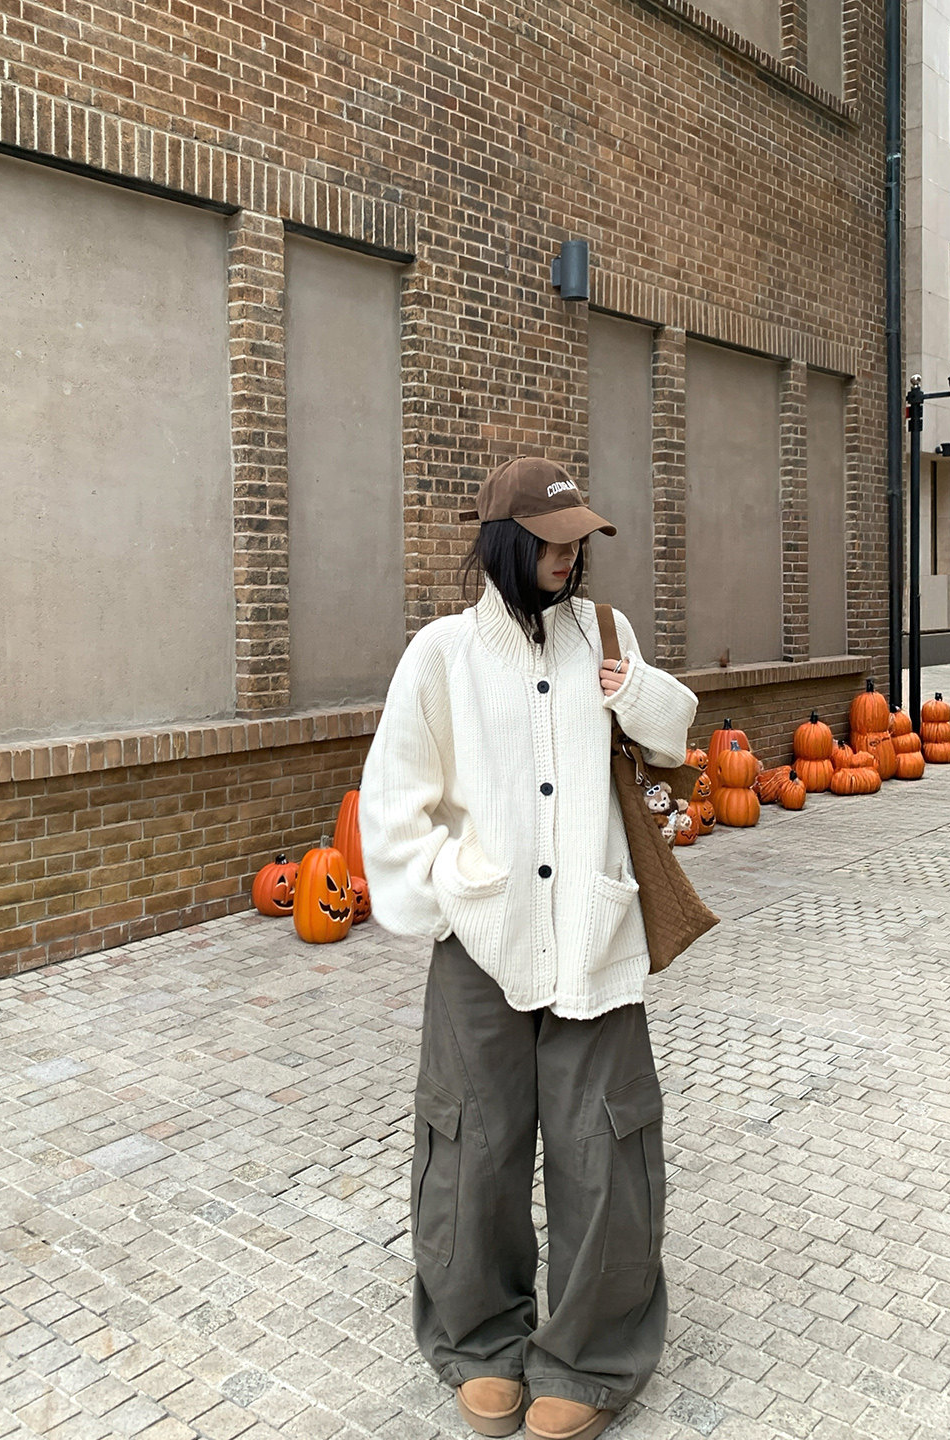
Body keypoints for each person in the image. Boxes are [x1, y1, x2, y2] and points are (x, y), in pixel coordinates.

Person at [359, 456, 699, 1440]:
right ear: (506, 543)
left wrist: (637, 691)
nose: (568, 557)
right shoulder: (443, 654)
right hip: (483, 943)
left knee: (607, 1150)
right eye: (551, 543)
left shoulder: (607, 632)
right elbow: (393, 798)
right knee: (472, 1143)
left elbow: (674, 744)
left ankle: (590, 1356)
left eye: (578, 542)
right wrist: (450, 892)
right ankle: (478, 1340)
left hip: (595, 933)